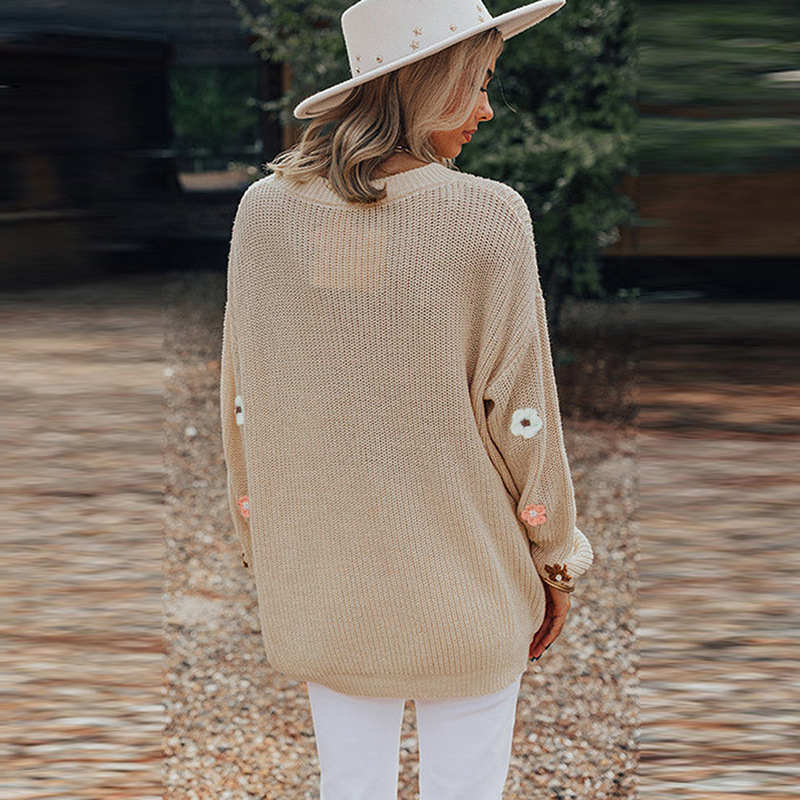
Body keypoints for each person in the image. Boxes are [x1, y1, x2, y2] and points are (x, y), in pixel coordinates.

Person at [219, 0, 594, 797]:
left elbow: (243, 404)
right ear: (432, 82)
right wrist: (556, 559)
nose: (487, 108)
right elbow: (523, 419)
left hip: (325, 589)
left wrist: (267, 548)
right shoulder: (487, 217)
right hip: (469, 588)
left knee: (349, 786)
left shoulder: (263, 213)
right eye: (479, 82)